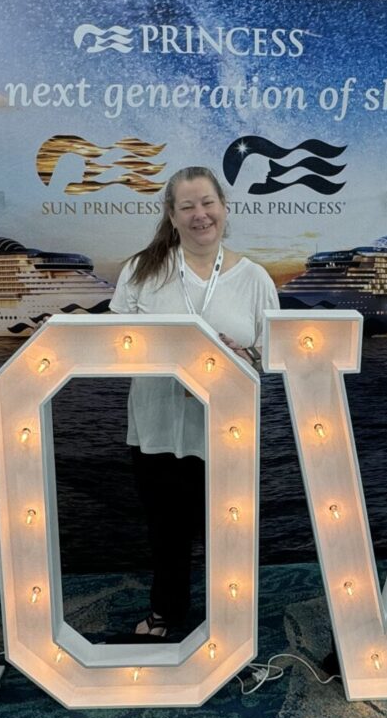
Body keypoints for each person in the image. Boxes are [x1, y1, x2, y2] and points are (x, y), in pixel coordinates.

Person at [109, 166, 280, 637]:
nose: (200, 215)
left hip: (226, 429)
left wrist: (243, 355)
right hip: (156, 426)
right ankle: (167, 612)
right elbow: (114, 344)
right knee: (165, 532)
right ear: (171, 214)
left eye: (207, 203)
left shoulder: (255, 278)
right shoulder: (140, 270)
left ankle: (231, 626)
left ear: (225, 208)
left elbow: (273, 356)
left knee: (230, 532)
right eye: (187, 206)